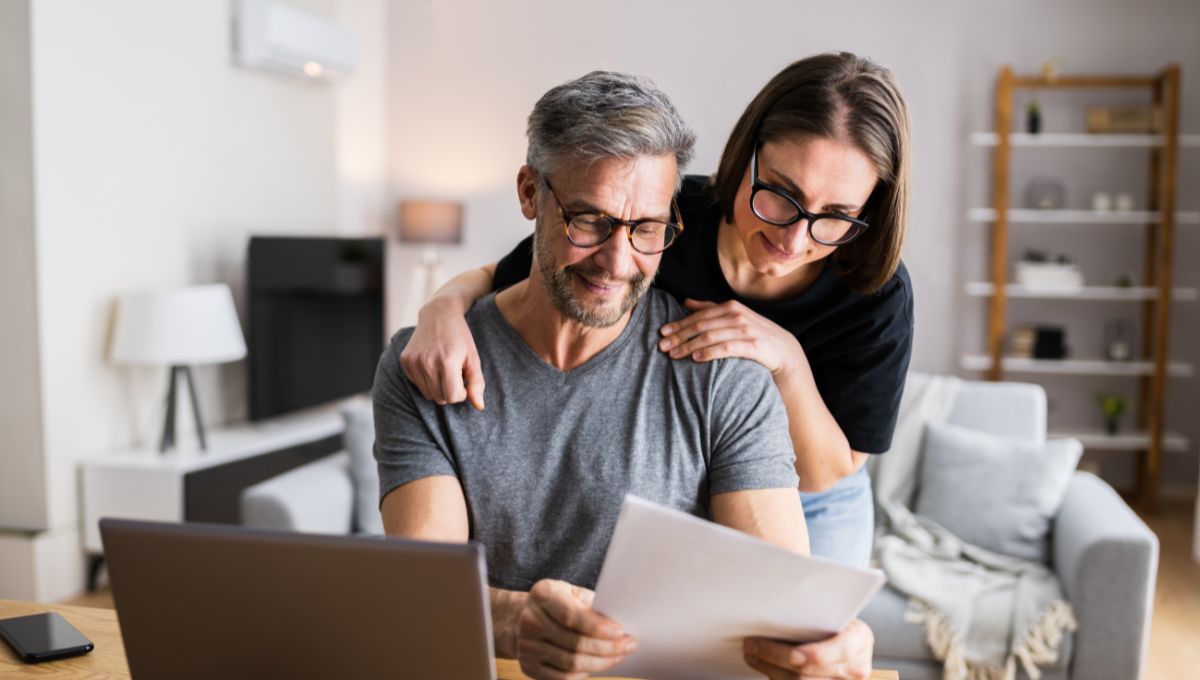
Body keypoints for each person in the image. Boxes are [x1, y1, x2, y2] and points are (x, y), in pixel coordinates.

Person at [375, 70, 874, 680]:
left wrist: (835, 649)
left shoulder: (727, 377)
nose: (618, 262)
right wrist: (512, 621)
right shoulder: (427, 367)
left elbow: (782, 612)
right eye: (589, 220)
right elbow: (424, 591)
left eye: (647, 229)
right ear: (530, 193)